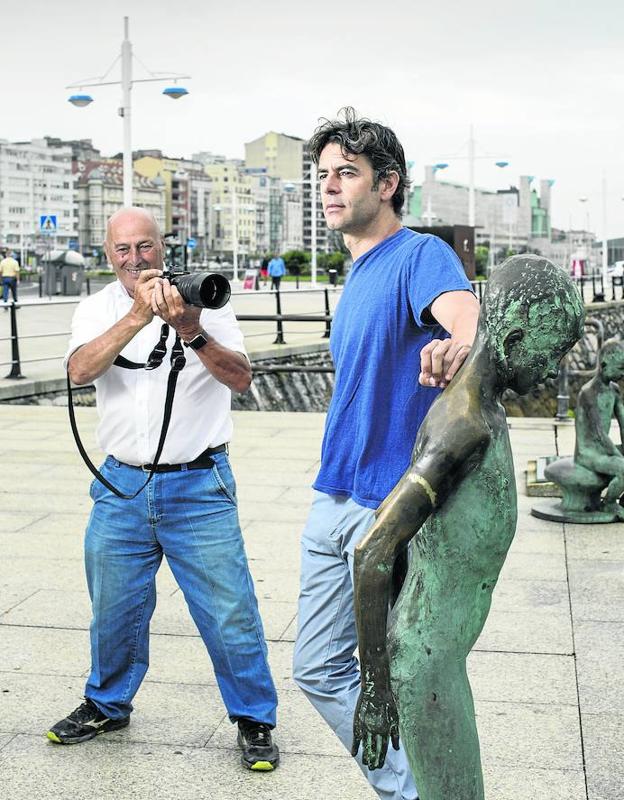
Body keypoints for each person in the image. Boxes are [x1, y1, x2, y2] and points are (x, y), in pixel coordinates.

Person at [47, 207, 279, 772]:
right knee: (114, 607)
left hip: (199, 483)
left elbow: (242, 378)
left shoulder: (205, 297)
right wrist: (134, 317)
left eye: (144, 247)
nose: (135, 259)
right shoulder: (97, 308)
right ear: (109, 255)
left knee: (229, 611)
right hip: (120, 482)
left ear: (161, 247)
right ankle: (107, 704)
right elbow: (79, 371)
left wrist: (188, 329)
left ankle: (254, 720)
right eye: (123, 250)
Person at [292, 107, 480, 800]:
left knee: (392, 675)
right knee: (316, 667)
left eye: (348, 173)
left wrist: (458, 342)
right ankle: (411, 788)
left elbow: (462, 313)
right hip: (333, 492)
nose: (331, 187)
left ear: (389, 183)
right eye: (323, 176)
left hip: (384, 508)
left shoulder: (418, 255)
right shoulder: (359, 272)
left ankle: (412, 792)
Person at [352, 255, 584, 800]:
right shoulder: (465, 427)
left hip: (439, 658)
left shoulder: (487, 412)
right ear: (517, 336)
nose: (550, 373)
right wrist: (376, 686)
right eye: (549, 357)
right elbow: (373, 549)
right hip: (425, 664)